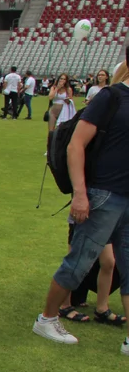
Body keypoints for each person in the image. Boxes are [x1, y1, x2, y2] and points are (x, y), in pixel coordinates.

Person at [32, 60, 129, 353]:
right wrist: (80, 193)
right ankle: (47, 318)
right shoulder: (112, 97)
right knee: (79, 262)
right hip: (103, 195)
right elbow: (76, 145)